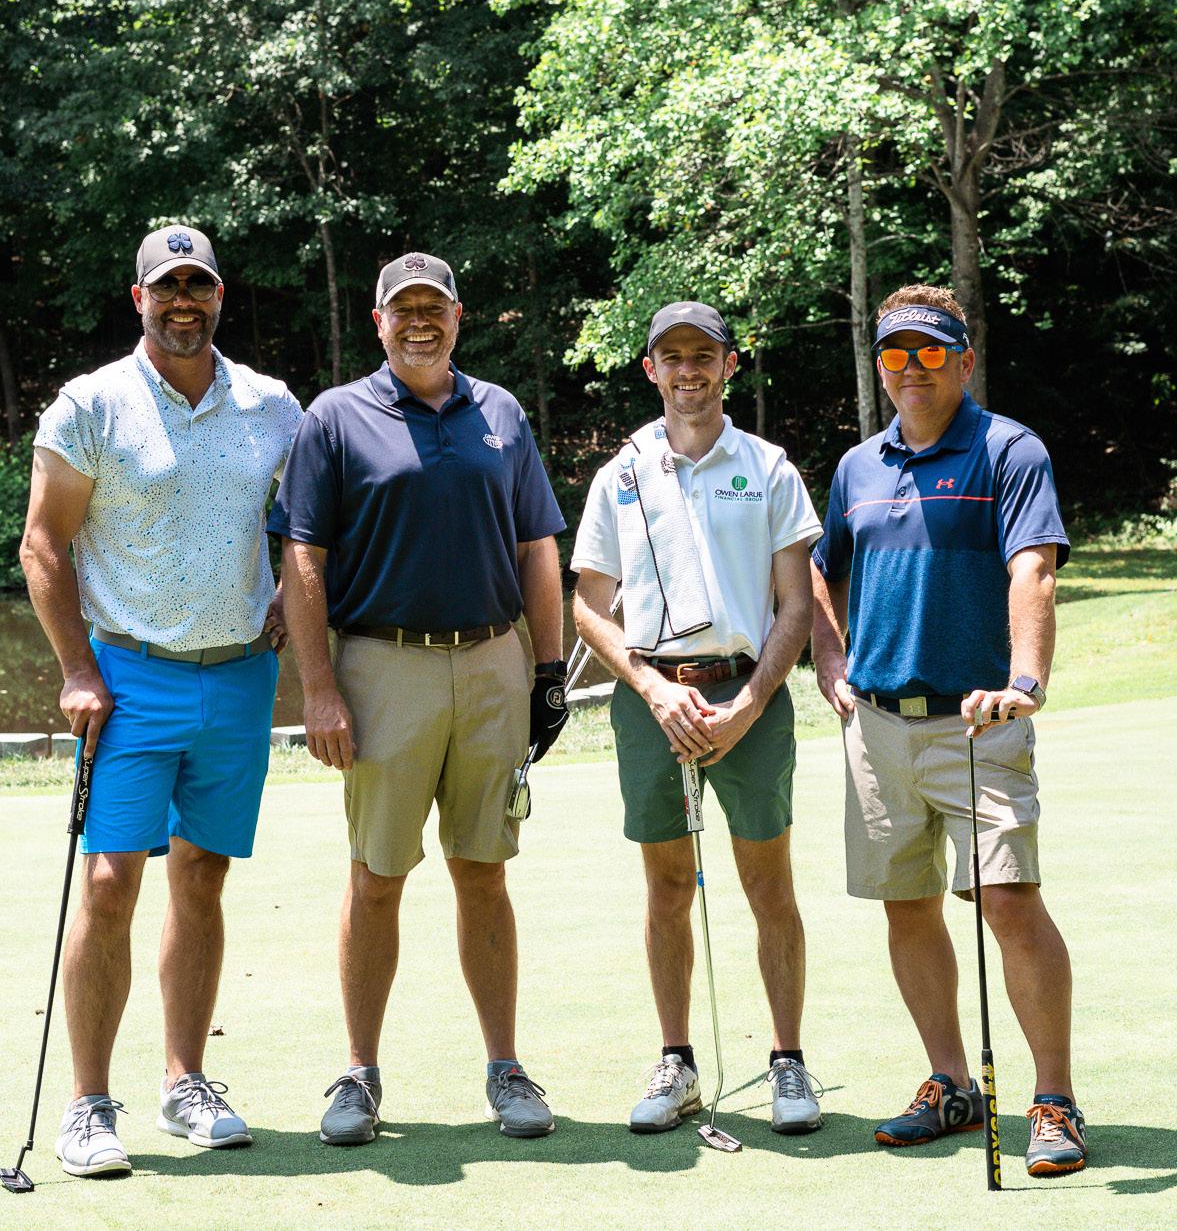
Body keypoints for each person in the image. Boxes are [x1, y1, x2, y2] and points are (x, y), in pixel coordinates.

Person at [21, 225, 303, 1179]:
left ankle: (186, 1082)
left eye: (200, 286)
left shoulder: (270, 404)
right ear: (139, 298)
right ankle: (87, 1105)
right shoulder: (91, 404)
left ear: (219, 295)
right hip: (129, 677)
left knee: (203, 876)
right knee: (109, 882)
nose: (185, 301)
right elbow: (42, 545)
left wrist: (289, 594)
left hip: (240, 673)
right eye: (167, 287)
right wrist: (75, 669)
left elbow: (313, 523)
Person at [270, 250, 567, 1146]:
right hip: (380, 666)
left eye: (434, 306)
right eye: (402, 309)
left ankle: (505, 1069)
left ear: (457, 316)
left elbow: (537, 549)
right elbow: (303, 557)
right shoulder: (334, 417)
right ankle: (359, 1074)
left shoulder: (500, 412)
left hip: (491, 662)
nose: (419, 322)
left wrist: (548, 672)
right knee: (377, 877)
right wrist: (318, 688)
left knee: (484, 871)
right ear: (378, 322)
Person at [810, 283, 1086, 1178]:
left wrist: (1024, 680)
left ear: (962, 360)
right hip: (876, 725)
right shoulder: (857, 468)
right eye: (894, 354)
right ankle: (950, 1083)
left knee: (1006, 899)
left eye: (929, 352)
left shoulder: (1008, 449)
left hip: (978, 721)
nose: (911, 369)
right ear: (879, 365)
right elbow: (821, 570)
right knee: (906, 903)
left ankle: (1052, 1099)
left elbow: (1033, 568)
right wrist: (829, 660)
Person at [571, 301, 824, 1136]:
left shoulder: (768, 468)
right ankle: (676, 1062)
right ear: (650, 369)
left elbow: (795, 606)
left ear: (728, 365)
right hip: (653, 702)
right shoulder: (620, 475)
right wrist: (651, 689)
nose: (688, 371)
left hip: (749, 694)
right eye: (672, 357)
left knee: (768, 884)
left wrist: (748, 704)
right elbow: (589, 607)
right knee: (668, 886)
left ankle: (786, 1061)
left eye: (703, 356)